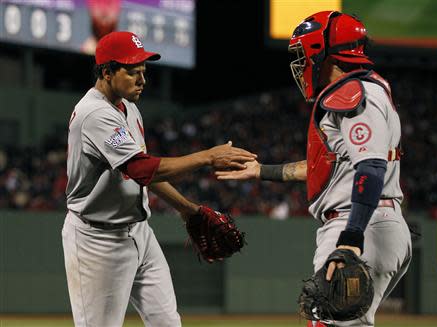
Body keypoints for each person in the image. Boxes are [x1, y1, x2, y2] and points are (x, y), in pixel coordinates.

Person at [216, 11, 412, 327]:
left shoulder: (352, 94)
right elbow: (330, 166)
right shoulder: (369, 89)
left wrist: (351, 239)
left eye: (304, 53)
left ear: (324, 52)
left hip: (358, 224)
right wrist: (262, 171)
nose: (301, 63)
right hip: (375, 221)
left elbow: (371, 167)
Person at [63, 31, 256, 327]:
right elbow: (140, 169)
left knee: (167, 322)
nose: (142, 80)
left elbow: (144, 174)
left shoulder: (130, 109)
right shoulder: (94, 114)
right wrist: (207, 157)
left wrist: (187, 208)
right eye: (132, 72)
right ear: (106, 72)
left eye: (144, 71)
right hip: (98, 240)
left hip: (140, 232)